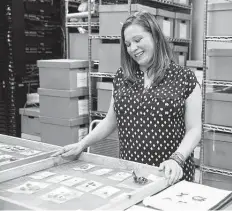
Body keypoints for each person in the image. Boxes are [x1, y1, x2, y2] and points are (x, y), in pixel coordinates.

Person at [52, 11, 202, 185]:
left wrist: (177, 159)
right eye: (128, 44)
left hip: (169, 175)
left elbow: (194, 129)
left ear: (155, 36)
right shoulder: (123, 77)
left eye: (138, 40)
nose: (133, 48)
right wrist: (82, 144)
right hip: (132, 174)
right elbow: (110, 121)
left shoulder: (184, 78)